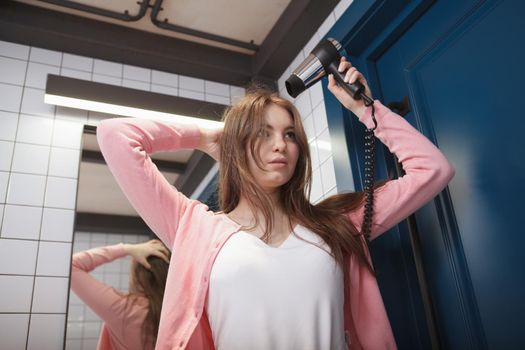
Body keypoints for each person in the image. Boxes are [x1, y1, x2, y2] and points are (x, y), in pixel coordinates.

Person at [96, 57, 454, 350]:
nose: (280, 145)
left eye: (289, 135)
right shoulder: (195, 227)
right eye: (262, 133)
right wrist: (208, 137)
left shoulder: (340, 222)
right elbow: (115, 136)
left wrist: (364, 107)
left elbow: (433, 170)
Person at [70, 239, 170, 350]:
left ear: (137, 275)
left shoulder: (125, 310)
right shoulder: (182, 313)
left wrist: (127, 249)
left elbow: (70, 266)